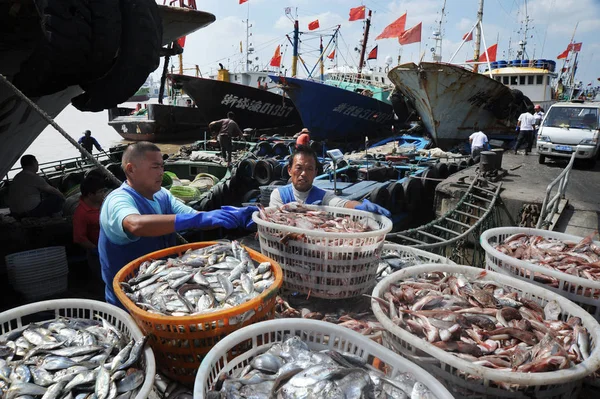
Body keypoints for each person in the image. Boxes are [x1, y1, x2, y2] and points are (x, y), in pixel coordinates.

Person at [99, 142, 256, 306]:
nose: (161, 172)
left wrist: (228, 216)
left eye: (162, 166)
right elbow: (135, 225)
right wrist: (197, 220)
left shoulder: (162, 195)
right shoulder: (117, 200)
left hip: (164, 289)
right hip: (129, 299)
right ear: (131, 169)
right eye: (155, 167)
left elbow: (194, 217)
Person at [269, 145, 391, 217]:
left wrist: (361, 206)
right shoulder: (279, 195)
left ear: (316, 173)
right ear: (289, 170)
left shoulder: (324, 196)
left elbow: (342, 203)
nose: (304, 173)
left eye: (309, 169)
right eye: (299, 168)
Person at [73, 175, 107, 278]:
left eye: (103, 191)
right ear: (90, 195)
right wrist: (96, 249)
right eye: (100, 192)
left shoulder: (106, 203)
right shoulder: (81, 213)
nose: (103, 194)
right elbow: (80, 238)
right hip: (97, 254)